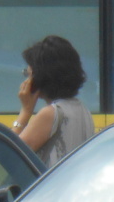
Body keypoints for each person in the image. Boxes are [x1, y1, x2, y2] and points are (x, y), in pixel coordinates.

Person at [12, 35, 95, 167]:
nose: (27, 81)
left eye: (29, 74)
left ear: (41, 76)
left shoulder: (51, 113)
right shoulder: (81, 108)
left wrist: (25, 111)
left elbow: (11, 155)